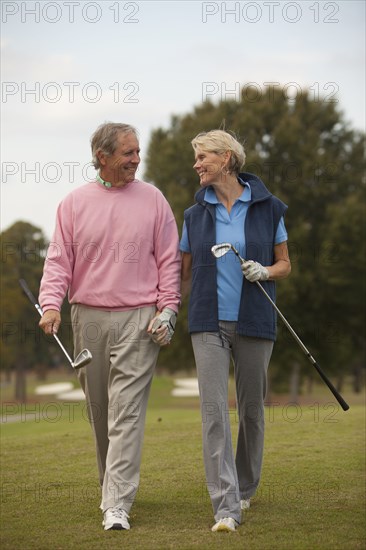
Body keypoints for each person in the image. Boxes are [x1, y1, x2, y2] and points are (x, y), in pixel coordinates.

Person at [38, 122, 181, 531]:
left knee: (127, 413)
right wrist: (51, 305)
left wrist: (168, 308)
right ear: (102, 156)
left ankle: (117, 502)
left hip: (140, 318)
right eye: (128, 153)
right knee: (101, 411)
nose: (137, 159)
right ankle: (111, 487)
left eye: (138, 152)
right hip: (89, 318)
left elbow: (169, 260)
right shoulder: (73, 203)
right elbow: (58, 261)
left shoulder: (153, 200)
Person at [180, 129, 291, 532]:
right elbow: (183, 274)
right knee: (213, 411)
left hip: (255, 319)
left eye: (203, 157)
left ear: (226, 158)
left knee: (251, 411)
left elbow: (285, 264)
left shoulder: (269, 208)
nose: (197, 165)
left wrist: (265, 270)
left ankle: (245, 485)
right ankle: (225, 505)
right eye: (196, 158)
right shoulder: (194, 214)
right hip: (208, 321)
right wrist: (166, 310)